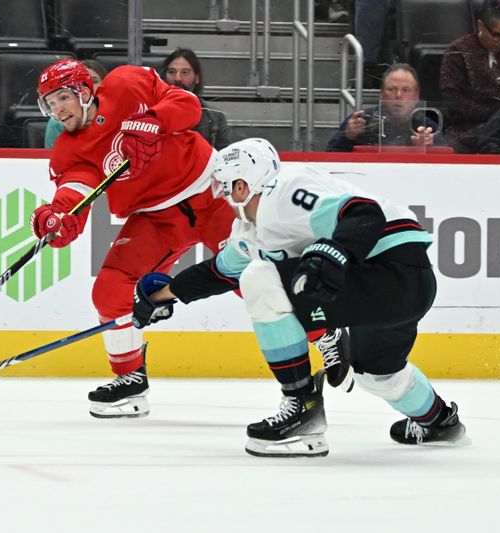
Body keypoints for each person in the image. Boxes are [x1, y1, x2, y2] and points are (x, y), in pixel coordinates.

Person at [132, 138, 467, 457]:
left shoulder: (287, 190)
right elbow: (221, 272)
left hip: (390, 272)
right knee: (378, 375)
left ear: (241, 185)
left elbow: (363, 214)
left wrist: (330, 253)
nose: (221, 197)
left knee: (260, 277)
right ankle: (439, 421)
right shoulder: (252, 229)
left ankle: (303, 408)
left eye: (224, 187)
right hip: (401, 288)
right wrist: (162, 295)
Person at [31, 58, 235, 419]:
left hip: (211, 192)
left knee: (252, 278)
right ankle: (130, 380)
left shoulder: (127, 83)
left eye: (62, 97)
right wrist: (58, 219)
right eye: (50, 103)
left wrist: (154, 121)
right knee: (109, 289)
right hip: (157, 218)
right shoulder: (69, 149)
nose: (57, 109)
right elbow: (73, 195)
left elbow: (188, 105)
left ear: (83, 90)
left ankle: (322, 336)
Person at [440, 0, 500, 153]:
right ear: (481, 26)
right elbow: (454, 99)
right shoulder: (458, 52)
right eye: (497, 35)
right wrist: (498, 114)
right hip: (471, 129)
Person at [326, 63, 444, 151]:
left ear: (416, 95)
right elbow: (329, 156)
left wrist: (428, 147)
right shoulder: (361, 121)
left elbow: (446, 164)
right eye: (391, 89)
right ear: (381, 94)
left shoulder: (426, 127)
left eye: (406, 90)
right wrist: (348, 136)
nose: (398, 95)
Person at [160, 47, 235, 150]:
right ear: (164, 76)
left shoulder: (215, 117)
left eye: (185, 72)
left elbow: (224, 160)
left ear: (197, 78)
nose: (177, 78)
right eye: (172, 72)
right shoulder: (149, 112)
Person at [44, 59, 105, 149]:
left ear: (105, 83)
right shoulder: (57, 122)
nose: (89, 86)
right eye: (81, 83)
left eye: (94, 81)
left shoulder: (118, 115)